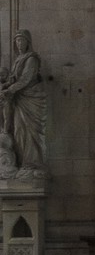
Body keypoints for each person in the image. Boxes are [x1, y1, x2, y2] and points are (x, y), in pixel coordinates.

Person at [0, 29, 46, 169]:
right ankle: (23, 163)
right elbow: (14, 78)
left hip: (29, 99)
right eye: (17, 40)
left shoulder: (32, 59)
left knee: (28, 131)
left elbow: (26, 79)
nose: (19, 43)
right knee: (18, 131)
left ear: (28, 42)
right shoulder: (18, 60)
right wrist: (5, 86)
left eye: (22, 40)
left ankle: (31, 164)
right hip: (19, 99)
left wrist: (10, 90)